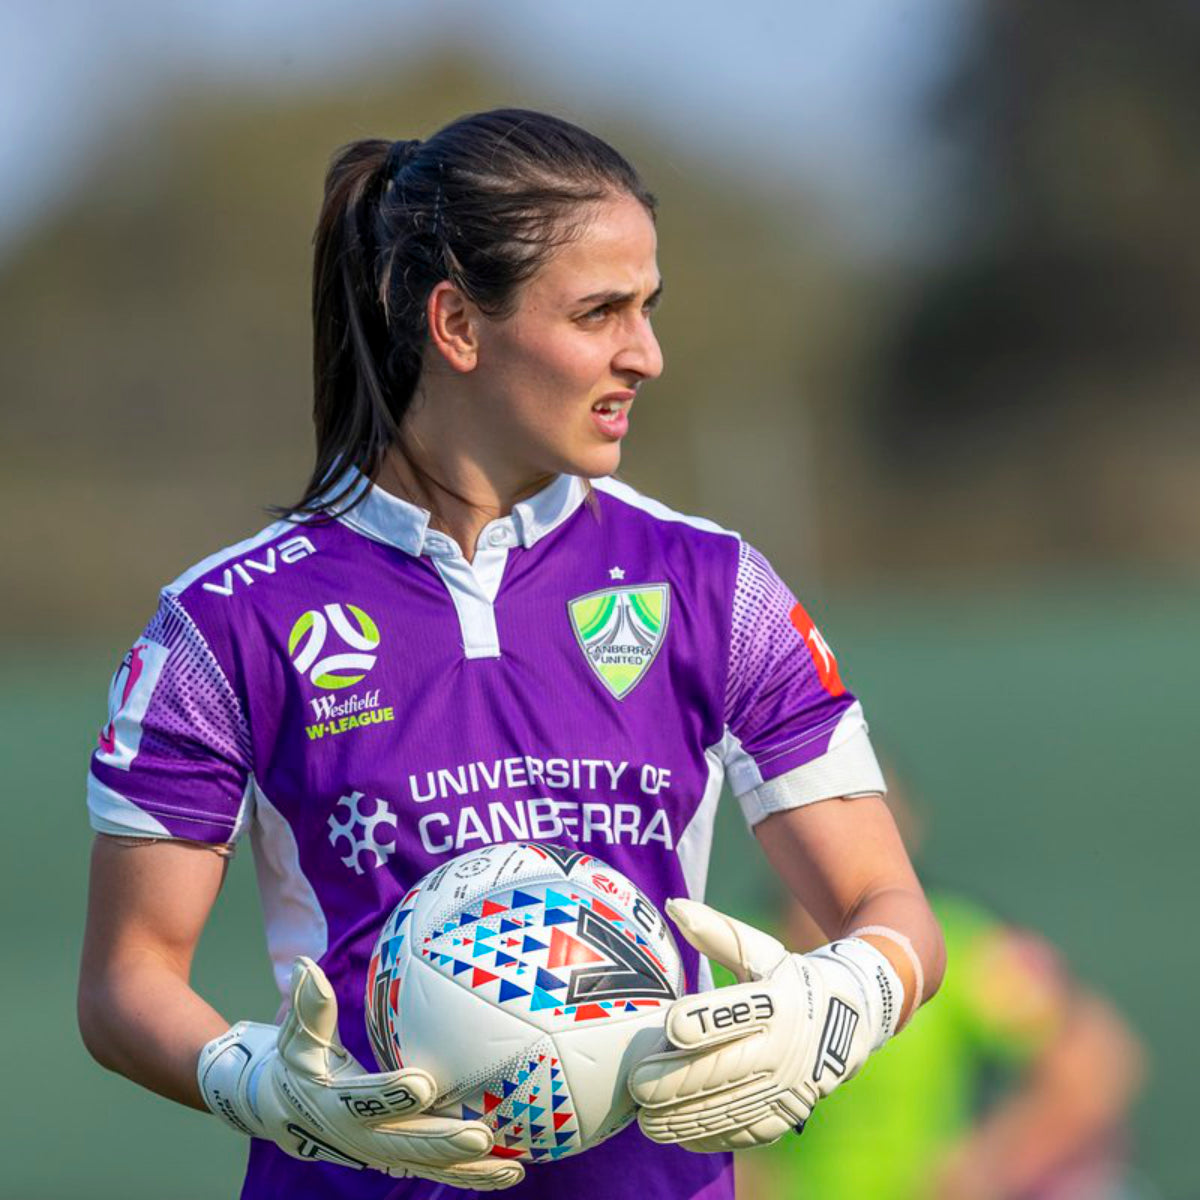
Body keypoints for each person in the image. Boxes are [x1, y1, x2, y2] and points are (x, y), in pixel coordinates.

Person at [78, 108, 946, 1200]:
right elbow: (124, 980)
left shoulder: (715, 586)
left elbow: (891, 905)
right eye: (601, 313)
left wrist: (842, 1001)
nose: (648, 353)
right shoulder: (224, 624)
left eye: (648, 309)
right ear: (456, 324)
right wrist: (262, 1085)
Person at [734, 780, 1147, 1200]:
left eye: (866, 812)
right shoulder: (730, 953)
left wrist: (985, 1166)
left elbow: (1093, 1063)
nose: (838, 838)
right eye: (811, 814)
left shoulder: (961, 948)